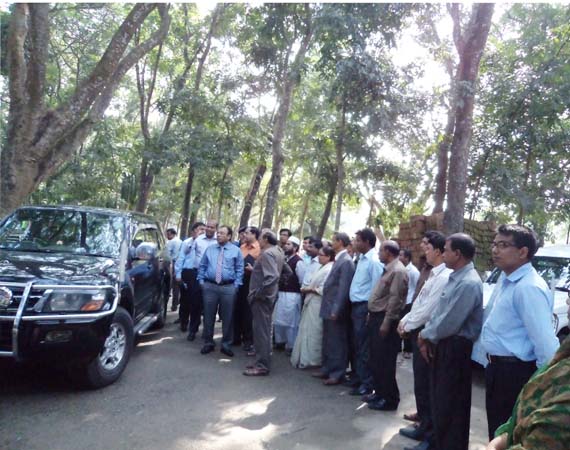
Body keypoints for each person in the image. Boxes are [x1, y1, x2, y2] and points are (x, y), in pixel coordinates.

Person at [480, 224, 559, 440]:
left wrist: (541, 390)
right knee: (497, 432)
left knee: (507, 437)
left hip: (513, 375)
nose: (495, 250)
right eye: (494, 244)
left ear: (523, 252)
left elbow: (546, 346)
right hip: (498, 370)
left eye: (503, 245)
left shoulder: (528, 287)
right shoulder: (509, 280)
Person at [418, 233, 483, 450]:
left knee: (451, 403)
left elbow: (449, 322)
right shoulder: (456, 277)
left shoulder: (468, 283)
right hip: (445, 343)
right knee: (441, 400)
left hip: (455, 347)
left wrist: (425, 335)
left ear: (458, 254)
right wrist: (427, 334)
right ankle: (437, 443)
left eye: (446, 250)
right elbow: (439, 312)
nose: (442, 254)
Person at [486, 294, 570, 450]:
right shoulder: (564, 355)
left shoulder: (530, 289)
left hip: (512, 371)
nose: (567, 300)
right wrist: (503, 438)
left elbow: (546, 436)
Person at [397, 231, 452, 447]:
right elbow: (419, 303)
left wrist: (407, 324)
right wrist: (405, 320)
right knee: (420, 383)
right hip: (417, 329)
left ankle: (428, 429)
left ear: (438, 251)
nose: (424, 250)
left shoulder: (444, 276)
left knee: (427, 384)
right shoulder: (433, 273)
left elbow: (429, 310)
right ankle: (423, 425)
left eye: (427, 247)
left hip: (426, 334)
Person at [365, 240, 408, 412]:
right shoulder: (388, 269)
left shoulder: (398, 271)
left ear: (388, 252)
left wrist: (386, 322)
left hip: (386, 320)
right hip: (377, 317)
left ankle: (389, 399)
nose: (378, 253)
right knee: (376, 359)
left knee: (385, 361)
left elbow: (395, 299)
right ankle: (379, 393)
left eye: (381, 250)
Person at [313, 232, 355, 386]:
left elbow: (343, 289)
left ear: (340, 242)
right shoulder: (340, 259)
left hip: (335, 309)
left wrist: (336, 309)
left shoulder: (346, 261)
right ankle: (327, 368)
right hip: (328, 306)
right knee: (328, 340)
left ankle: (337, 373)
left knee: (337, 342)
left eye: (334, 240)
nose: (331, 243)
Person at [347, 228, 384, 397]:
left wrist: (370, 310)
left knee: (364, 347)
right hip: (356, 307)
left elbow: (377, 288)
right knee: (357, 345)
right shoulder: (361, 259)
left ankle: (367, 384)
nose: (355, 243)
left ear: (367, 242)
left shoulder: (373, 261)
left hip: (364, 307)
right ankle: (358, 377)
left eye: (358, 240)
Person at [197, 225, 244, 357]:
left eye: (222, 233)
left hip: (228, 287)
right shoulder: (210, 249)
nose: (218, 235)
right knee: (208, 315)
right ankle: (208, 342)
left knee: (228, 317)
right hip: (210, 286)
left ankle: (226, 344)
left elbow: (239, 269)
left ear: (229, 236)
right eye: (218, 233)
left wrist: (236, 285)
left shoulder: (236, 251)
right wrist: (201, 282)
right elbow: (202, 266)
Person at [243, 229, 285, 376]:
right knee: (264, 330)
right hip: (269, 297)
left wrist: (258, 293)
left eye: (260, 237)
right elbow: (286, 272)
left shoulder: (267, 253)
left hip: (262, 299)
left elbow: (272, 277)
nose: (258, 240)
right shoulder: (278, 251)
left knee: (261, 332)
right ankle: (261, 360)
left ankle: (262, 365)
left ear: (266, 239)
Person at [291, 246, 335, 369]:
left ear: (328, 257)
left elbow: (323, 289)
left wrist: (309, 289)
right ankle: (305, 358)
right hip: (311, 301)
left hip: (318, 302)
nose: (319, 257)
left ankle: (313, 360)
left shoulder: (329, 268)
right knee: (307, 329)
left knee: (314, 331)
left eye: (321, 255)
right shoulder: (322, 267)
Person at [274, 236, 305, 354]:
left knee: (291, 322)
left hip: (292, 296)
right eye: (285, 244)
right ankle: (280, 342)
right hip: (280, 294)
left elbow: (302, 280)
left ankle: (291, 345)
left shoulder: (299, 262)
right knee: (278, 319)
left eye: (288, 244)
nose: (285, 246)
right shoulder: (284, 259)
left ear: (295, 247)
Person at [174, 221, 207, 335]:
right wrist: (178, 274)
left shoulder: (206, 244)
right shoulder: (187, 242)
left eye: (204, 229)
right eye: (200, 229)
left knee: (196, 301)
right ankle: (183, 321)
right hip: (187, 273)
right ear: (193, 231)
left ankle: (194, 326)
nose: (203, 231)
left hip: (199, 273)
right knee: (185, 300)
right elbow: (181, 258)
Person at [233, 226, 260, 353]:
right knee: (237, 309)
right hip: (239, 281)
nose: (244, 235)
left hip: (252, 282)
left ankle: (248, 340)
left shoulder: (260, 249)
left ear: (254, 235)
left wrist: (253, 269)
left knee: (249, 312)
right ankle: (236, 337)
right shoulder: (241, 247)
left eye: (247, 233)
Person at [400, 248, 420, 357]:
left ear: (407, 258)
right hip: (401, 300)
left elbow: (417, 286)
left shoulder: (413, 271)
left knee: (407, 325)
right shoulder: (401, 268)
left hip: (409, 301)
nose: (399, 257)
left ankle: (408, 349)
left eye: (401, 255)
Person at [166, 228, 183, 312]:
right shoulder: (180, 241)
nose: (167, 236)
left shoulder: (171, 242)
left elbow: (167, 254)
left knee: (173, 285)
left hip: (173, 263)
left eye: (168, 234)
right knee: (178, 285)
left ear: (172, 234)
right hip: (181, 263)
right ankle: (177, 302)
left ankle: (173, 304)